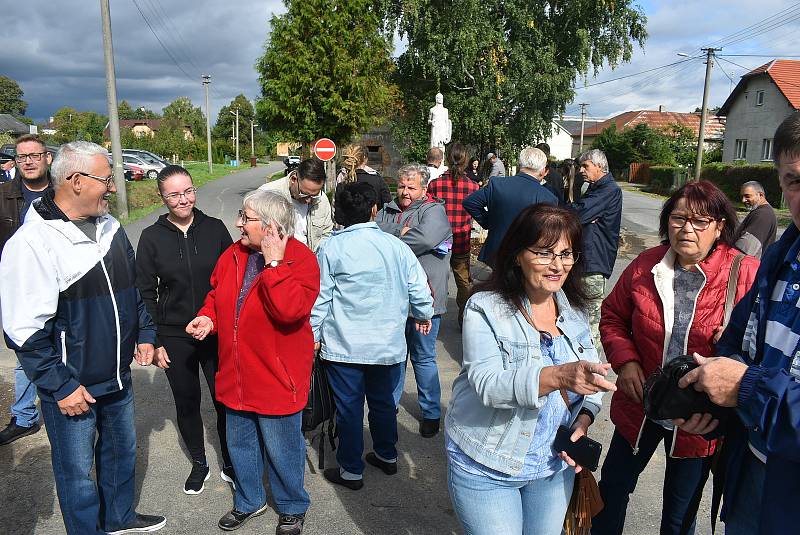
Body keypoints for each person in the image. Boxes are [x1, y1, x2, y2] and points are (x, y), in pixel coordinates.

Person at [0, 141, 165, 534]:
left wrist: (144, 332)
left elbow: (133, 290)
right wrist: (59, 386)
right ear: (75, 181)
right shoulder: (33, 243)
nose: (112, 186)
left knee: (120, 453)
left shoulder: (109, 226)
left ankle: (119, 518)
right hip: (73, 387)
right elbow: (23, 330)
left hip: (118, 376)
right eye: (106, 179)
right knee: (78, 475)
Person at [592, 181, 758, 535]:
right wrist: (627, 362)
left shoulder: (743, 273)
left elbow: (764, 346)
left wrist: (734, 346)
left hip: (700, 418)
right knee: (613, 489)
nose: (687, 229)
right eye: (679, 218)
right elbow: (613, 317)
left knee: (679, 512)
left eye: (700, 221)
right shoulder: (645, 265)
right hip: (640, 403)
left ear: (719, 227)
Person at [446, 204, 615, 535]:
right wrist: (558, 376)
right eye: (544, 253)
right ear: (516, 255)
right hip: (488, 466)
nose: (557, 265)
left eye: (567, 254)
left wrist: (583, 420)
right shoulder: (486, 307)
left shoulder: (575, 313)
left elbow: (592, 384)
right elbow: (488, 385)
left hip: (552, 466)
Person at [675, 113, 800, 535]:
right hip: (751, 474)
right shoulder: (781, 258)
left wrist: (745, 387)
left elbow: (748, 377)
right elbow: (738, 347)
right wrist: (711, 400)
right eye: (796, 181)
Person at [187, 190, 319, 535]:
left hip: (277, 376)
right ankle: (249, 500)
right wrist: (208, 317)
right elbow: (216, 295)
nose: (238, 223)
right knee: (240, 444)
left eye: (246, 217)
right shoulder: (233, 254)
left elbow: (290, 311)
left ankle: (291, 506)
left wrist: (274, 264)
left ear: (271, 226)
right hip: (236, 372)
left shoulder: (300, 260)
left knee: (283, 449)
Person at [311, 182, 434, 490]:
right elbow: (419, 287)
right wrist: (423, 314)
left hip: (344, 347)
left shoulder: (331, 247)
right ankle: (386, 454)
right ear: (374, 210)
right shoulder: (396, 246)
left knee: (349, 408)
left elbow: (320, 297)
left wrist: (312, 334)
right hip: (388, 346)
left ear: (338, 211)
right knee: (382, 404)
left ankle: (351, 471)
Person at [135, 165, 234, 495]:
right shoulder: (151, 238)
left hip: (214, 329)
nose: (184, 199)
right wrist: (155, 339)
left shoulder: (216, 228)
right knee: (187, 401)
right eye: (175, 194)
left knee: (225, 400)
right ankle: (199, 462)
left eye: (188, 191)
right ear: (162, 198)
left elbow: (231, 281)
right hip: (174, 334)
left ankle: (232, 460)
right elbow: (145, 292)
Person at [375, 163, 452, 438]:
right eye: (402, 186)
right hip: (394, 300)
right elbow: (373, 235)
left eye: (411, 188)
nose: (405, 193)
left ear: (424, 188)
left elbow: (425, 239)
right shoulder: (388, 208)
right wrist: (401, 233)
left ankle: (431, 412)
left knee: (423, 357)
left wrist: (389, 233)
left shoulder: (434, 211)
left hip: (427, 299)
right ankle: (390, 406)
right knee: (395, 357)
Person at [0, 134, 54, 446]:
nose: (29, 162)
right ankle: (23, 416)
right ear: (16, 162)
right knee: (25, 350)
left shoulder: (62, 193)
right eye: (22, 157)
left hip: (60, 287)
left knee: (66, 347)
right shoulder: (5, 196)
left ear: (47, 158)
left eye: (35, 155)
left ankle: (71, 404)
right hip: (19, 290)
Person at [464, 147, 557, 267]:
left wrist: (489, 221)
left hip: (497, 251)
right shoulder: (548, 197)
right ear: (543, 170)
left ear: (520, 164)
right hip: (527, 257)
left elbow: (471, 202)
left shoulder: (497, 184)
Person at [569, 148, 622, 346]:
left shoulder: (609, 190)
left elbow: (578, 214)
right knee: (578, 317)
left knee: (590, 323)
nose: (581, 170)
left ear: (599, 166)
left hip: (593, 264)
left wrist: (580, 217)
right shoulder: (594, 189)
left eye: (585, 166)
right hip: (586, 261)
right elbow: (582, 215)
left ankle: (593, 370)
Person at [427, 142, 480, 326]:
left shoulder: (435, 185)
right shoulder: (473, 187)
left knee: (434, 278)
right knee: (463, 280)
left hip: (439, 239)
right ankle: (464, 317)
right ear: (465, 160)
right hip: (461, 239)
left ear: (446, 160)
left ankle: (431, 316)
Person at [259, 158, 333, 252]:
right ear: (294, 179)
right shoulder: (267, 195)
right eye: (304, 193)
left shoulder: (321, 199)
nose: (308, 199)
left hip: (310, 260)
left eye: (314, 195)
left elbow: (326, 233)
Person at [336, 143, 392, 208]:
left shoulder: (342, 177)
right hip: (374, 217)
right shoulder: (377, 179)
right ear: (365, 158)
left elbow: (336, 207)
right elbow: (388, 206)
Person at [734, 180, 777, 259]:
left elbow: (744, 249)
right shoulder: (761, 211)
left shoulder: (763, 215)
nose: (743, 200)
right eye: (742, 196)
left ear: (760, 195)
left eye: (747, 196)